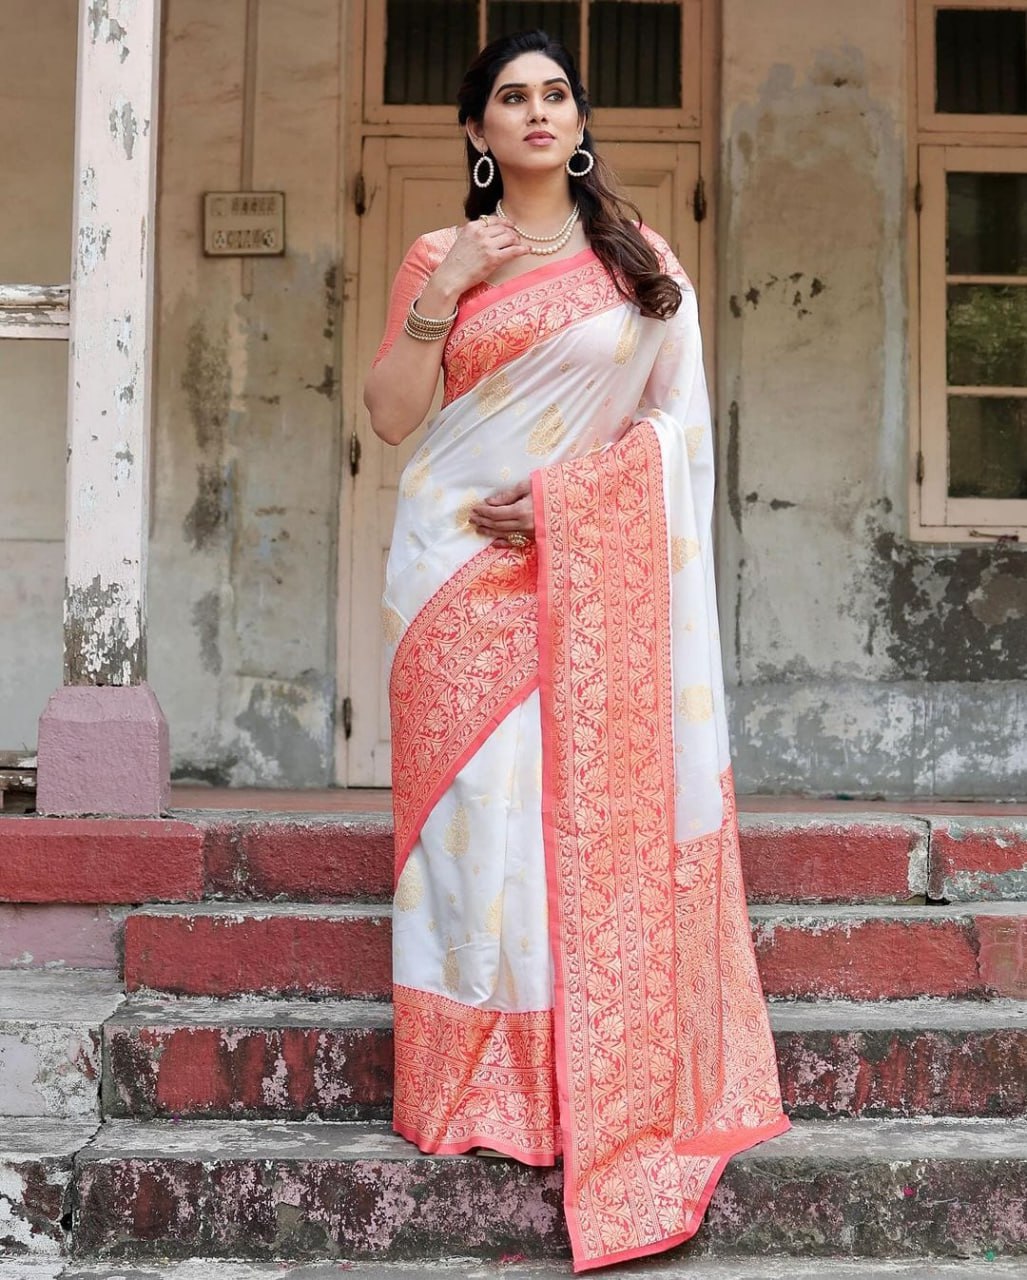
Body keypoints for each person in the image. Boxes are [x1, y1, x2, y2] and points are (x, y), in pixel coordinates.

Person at [364, 28, 789, 1274]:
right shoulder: (438, 255)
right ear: (479, 134)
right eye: (511, 97)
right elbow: (393, 417)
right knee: (469, 834)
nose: (536, 112)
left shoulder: (635, 261)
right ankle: (472, 1090)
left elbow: (675, 430)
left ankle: (568, 1087)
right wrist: (444, 296)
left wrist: (567, 497)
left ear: (578, 121)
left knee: (560, 829)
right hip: (450, 572)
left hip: (574, 565)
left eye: (554, 94)